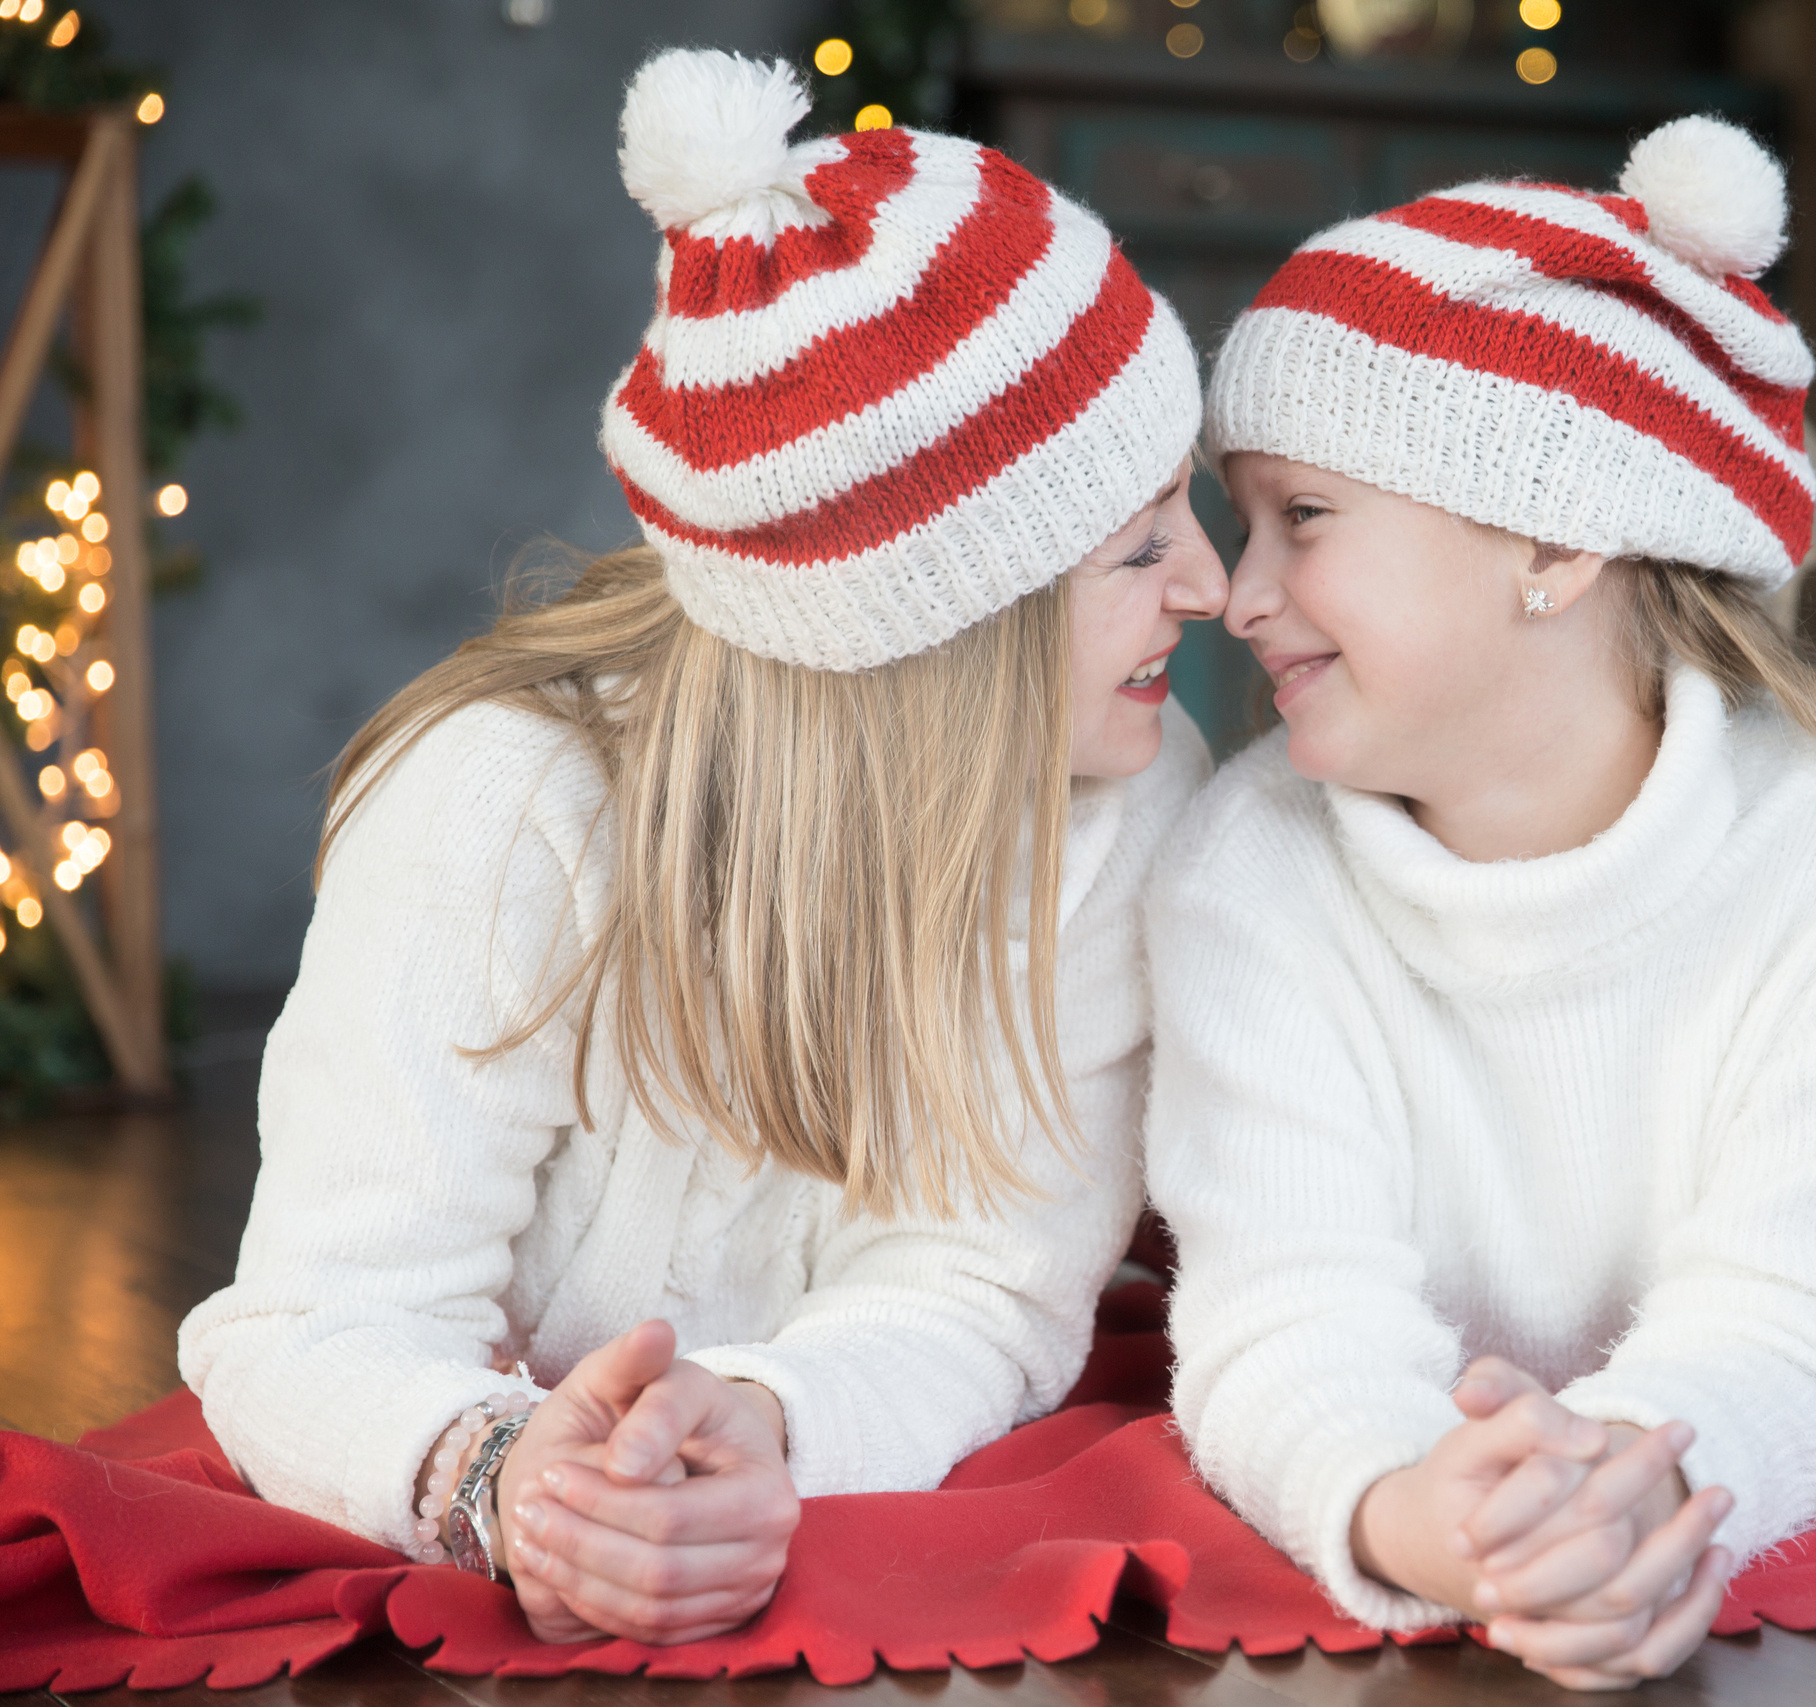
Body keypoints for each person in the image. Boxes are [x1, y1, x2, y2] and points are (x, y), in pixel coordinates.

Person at [178, 49, 1224, 1647]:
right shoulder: (505, 800)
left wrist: (767, 1424)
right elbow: (320, 1314)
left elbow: (978, 1290)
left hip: (803, 1487)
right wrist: (509, 1478)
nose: (1212, 584)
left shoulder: (1129, 803)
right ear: (938, 625)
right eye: (1142, 543)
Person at [1144, 115, 1816, 1688]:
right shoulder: (1247, 864)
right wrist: (1417, 1520)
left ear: (1552, 538)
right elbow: (1285, 1314)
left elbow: (1797, 1311)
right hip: (1429, 1490)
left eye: (1303, 516)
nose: (1235, 593)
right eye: (1239, 520)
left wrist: (1639, 1499)